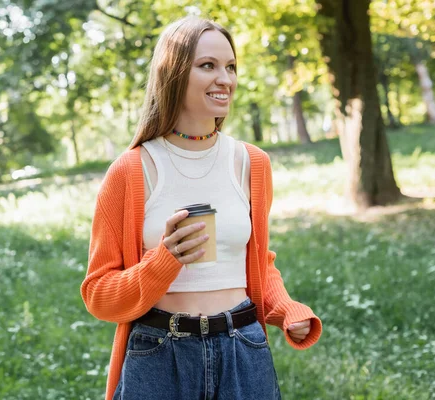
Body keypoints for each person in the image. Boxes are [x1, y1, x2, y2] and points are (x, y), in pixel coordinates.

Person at [80, 16, 322, 400]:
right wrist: (164, 261)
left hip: (243, 349)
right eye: (208, 66)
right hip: (160, 353)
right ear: (173, 73)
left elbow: (258, 262)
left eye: (230, 67)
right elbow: (98, 294)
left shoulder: (251, 163)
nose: (224, 79)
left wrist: (287, 309)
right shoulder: (131, 170)